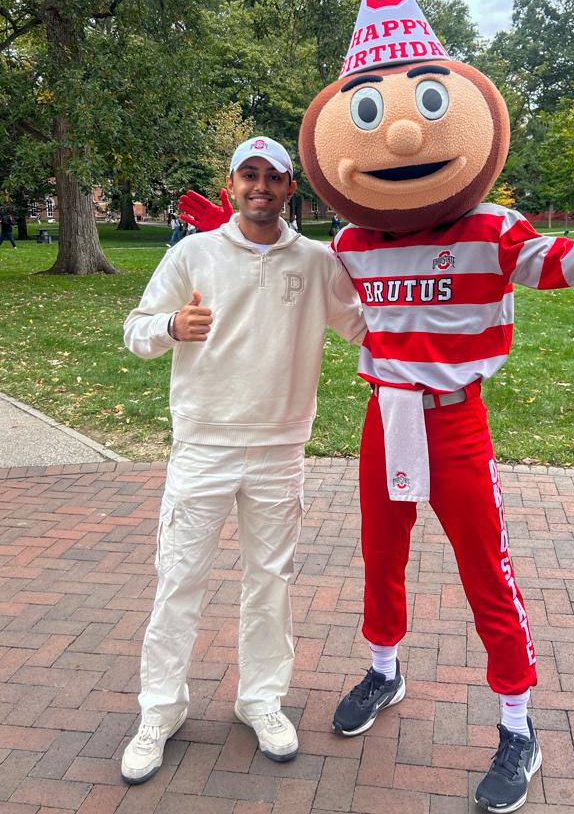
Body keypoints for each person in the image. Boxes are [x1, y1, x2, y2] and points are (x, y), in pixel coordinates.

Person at [184, 0, 574, 814]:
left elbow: (567, 264)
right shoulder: (358, 243)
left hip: (455, 418)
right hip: (385, 414)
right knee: (382, 552)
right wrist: (237, 235)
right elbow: (299, 272)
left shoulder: (491, 225)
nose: (399, 138)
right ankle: (383, 671)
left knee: (487, 569)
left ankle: (519, 726)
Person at [121, 135, 365, 785]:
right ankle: (161, 710)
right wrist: (173, 328)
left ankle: (261, 699)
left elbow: (366, 327)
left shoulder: (316, 263)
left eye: (274, 177)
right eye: (248, 174)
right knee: (179, 580)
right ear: (231, 184)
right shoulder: (194, 253)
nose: (261, 186)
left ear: (290, 188)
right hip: (203, 445)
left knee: (270, 583)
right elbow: (136, 330)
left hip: (279, 450)